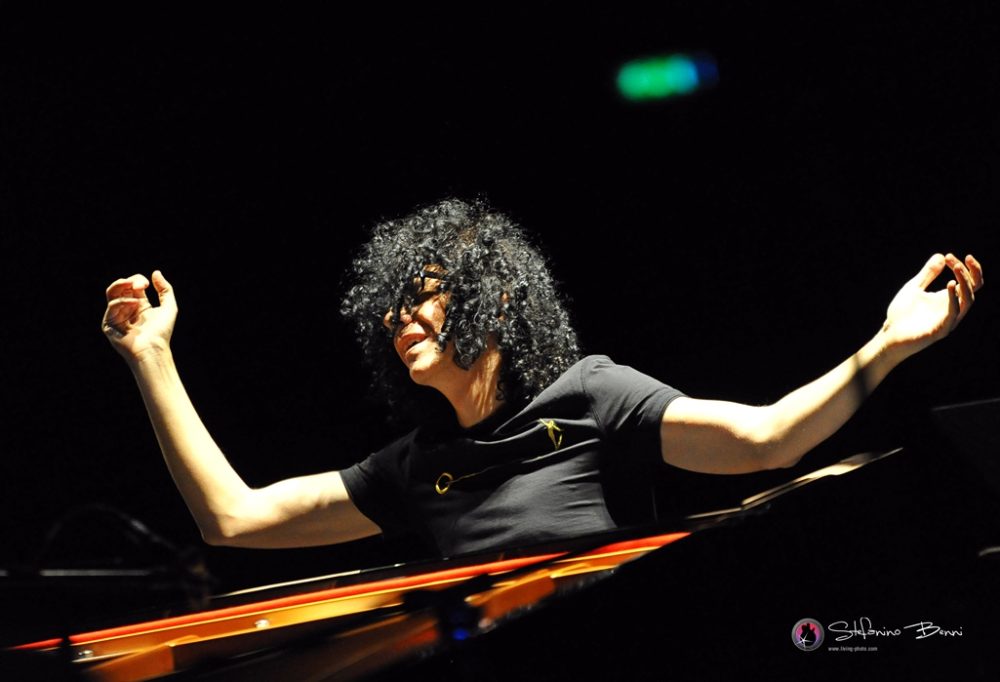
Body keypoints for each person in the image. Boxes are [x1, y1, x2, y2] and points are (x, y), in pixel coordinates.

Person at [102, 199, 984, 558]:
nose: (399, 318)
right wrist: (152, 358)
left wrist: (888, 344)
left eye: (423, 296)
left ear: (493, 299)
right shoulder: (412, 466)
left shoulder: (594, 396)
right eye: (389, 307)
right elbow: (232, 519)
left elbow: (768, 441)